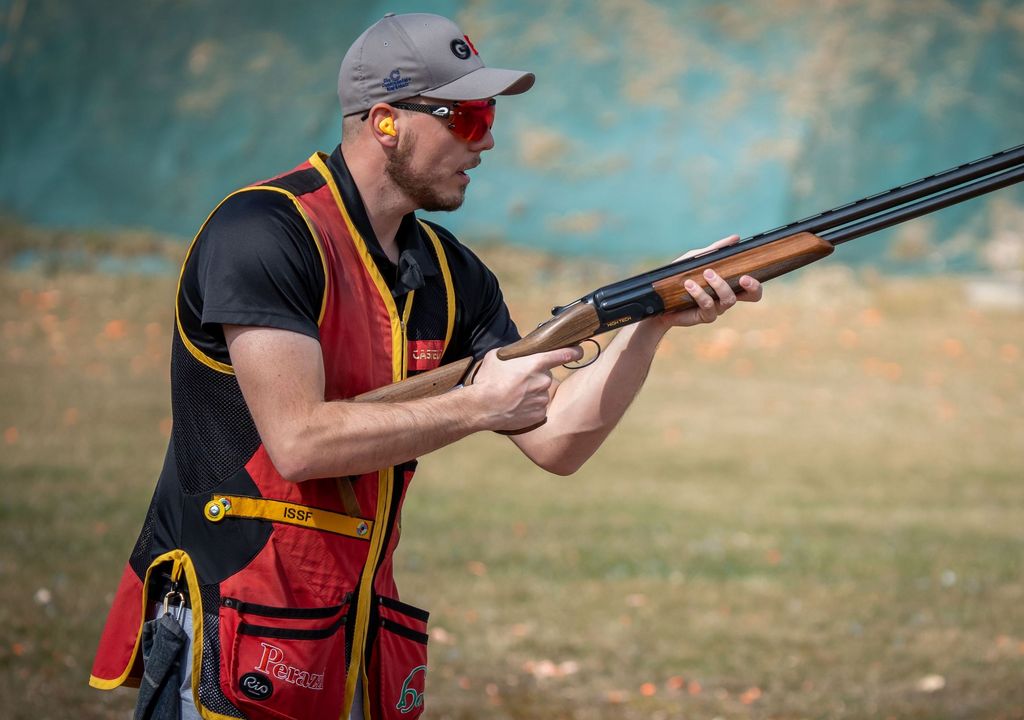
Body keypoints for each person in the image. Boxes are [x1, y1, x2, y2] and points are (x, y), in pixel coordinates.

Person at [89, 12, 762, 720]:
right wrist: (477, 405)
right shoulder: (264, 233)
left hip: (348, 639)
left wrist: (648, 324)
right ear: (386, 122)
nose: (490, 138)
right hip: (233, 629)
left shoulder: (451, 274)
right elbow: (299, 442)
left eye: (489, 114)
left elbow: (558, 440)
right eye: (467, 117)